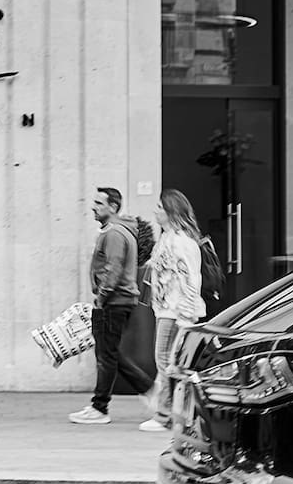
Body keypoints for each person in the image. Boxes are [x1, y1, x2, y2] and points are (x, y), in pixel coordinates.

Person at [69, 186, 153, 425]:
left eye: (99, 203)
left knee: (107, 355)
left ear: (113, 207)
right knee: (109, 353)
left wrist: (102, 297)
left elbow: (113, 268)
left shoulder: (114, 234)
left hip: (114, 301)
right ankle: (142, 391)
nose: (93, 207)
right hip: (119, 300)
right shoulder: (120, 231)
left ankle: (101, 407)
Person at [141, 189, 205, 433]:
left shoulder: (182, 242)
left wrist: (186, 315)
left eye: (159, 207)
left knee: (166, 362)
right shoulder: (167, 239)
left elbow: (191, 278)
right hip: (165, 309)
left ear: (171, 211)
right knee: (167, 363)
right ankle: (173, 412)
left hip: (175, 311)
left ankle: (165, 415)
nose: (155, 211)